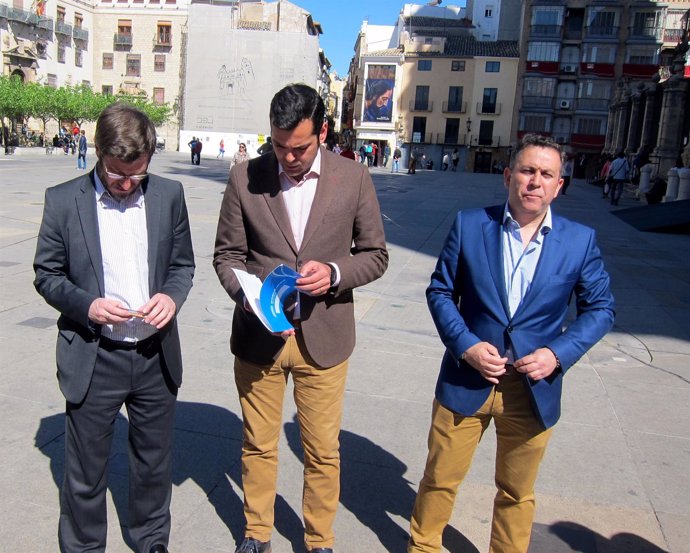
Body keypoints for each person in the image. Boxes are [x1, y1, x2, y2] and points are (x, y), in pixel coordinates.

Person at [408, 134, 614, 553]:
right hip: (467, 380)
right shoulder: (470, 224)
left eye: (547, 174)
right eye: (527, 170)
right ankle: (423, 546)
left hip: (532, 389)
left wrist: (558, 353)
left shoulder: (580, 241)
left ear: (560, 185)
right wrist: (465, 345)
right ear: (508, 176)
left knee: (517, 493)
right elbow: (441, 292)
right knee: (439, 480)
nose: (535, 182)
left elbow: (601, 309)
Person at [213, 83, 388, 553]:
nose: (288, 158)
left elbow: (375, 255)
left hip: (324, 337)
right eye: (279, 146)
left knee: (323, 450)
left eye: (300, 148)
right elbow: (227, 255)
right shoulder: (243, 177)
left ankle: (319, 539)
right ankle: (256, 532)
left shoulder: (353, 178)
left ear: (323, 132)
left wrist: (334, 273)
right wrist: (250, 297)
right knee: (258, 442)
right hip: (259, 335)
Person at [33, 103, 195, 553]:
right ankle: (84, 547)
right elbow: (46, 274)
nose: (127, 185)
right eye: (117, 174)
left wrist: (171, 297)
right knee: (85, 470)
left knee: (153, 463)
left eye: (137, 175)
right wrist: (88, 305)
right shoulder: (63, 200)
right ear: (98, 153)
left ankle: (150, 539)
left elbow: (182, 265)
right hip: (93, 352)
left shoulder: (169, 194)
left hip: (153, 353)